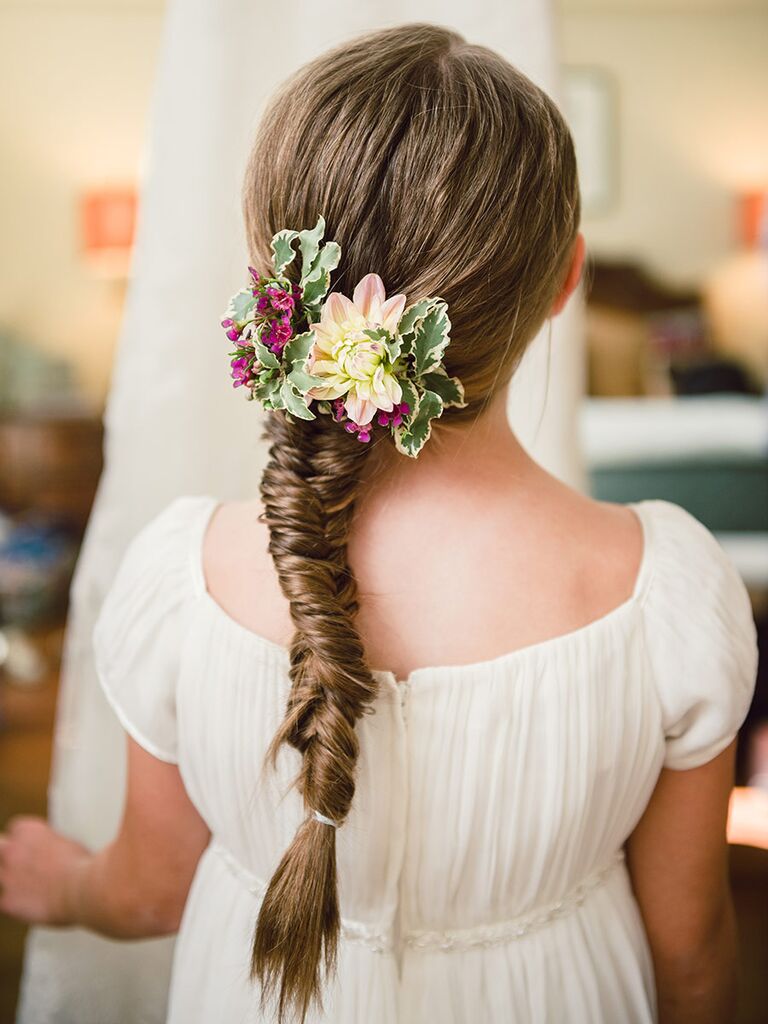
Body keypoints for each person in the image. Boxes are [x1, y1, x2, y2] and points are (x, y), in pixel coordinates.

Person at [0, 22, 758, 1024]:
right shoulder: (668, 590)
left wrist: (66, 886)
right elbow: (693, 947)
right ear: (565, 281)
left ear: (280, 282)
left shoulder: (183, 578)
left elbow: (147, 887)